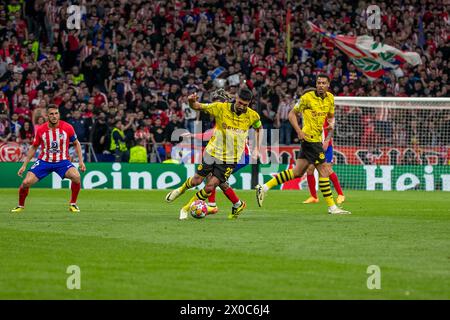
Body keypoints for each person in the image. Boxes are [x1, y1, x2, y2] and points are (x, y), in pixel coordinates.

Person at [255, 74, 350, 215]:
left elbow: (330, 117)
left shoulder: (330, 98)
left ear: (328, 85)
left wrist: (330, 127)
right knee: (324, 170)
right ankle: (332, 207)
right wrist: (299, 131)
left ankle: (264, 187)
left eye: (324, 83)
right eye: (319, 82)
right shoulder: (307, 98)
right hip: (309, 139)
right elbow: (291, 115)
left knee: (297, 172)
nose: (321, 85)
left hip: (316, 139)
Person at [165, 87, 262, 220]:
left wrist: (257, 148)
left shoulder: (253, 115)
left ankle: (186, 208)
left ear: (249, 103)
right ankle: (179, 190)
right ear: (236, 98)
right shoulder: (220, 107)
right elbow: (197, 106)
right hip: (212, 153)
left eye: (245, 105)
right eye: (240, 103)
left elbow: (259, 129)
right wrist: (191, 102)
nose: (241, 106)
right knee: (196, 180)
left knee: (211, 185)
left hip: (230, 159)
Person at [11, 104, 86, 213]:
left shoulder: (68, 127)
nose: (54, 116)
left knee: (76, 177)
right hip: (44, 162)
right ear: (47, 116)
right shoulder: (41, 130)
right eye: (51, 114)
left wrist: (81, 162)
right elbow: (34, 147)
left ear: (59, 114)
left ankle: (73, 204)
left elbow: (76, 143)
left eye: (56, 113)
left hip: (62, 161)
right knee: (26, 182)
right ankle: (20, 206)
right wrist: (24, 165)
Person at [303, 117, 345, 204]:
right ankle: (314, 197)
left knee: (328, 170)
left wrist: (326, 141)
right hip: (315, 145)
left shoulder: (326, 112)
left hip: (326, 146)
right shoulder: (311, 113)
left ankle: (341, 194)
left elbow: (331, 127)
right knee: (310, 169)